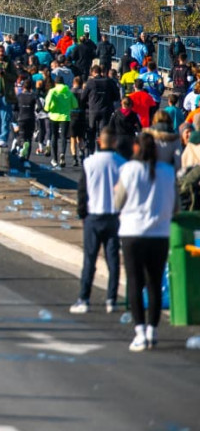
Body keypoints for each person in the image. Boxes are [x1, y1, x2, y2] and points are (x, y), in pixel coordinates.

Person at [115, 132, 178, 352]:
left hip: (132, 232)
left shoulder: (129, 170)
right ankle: (152, 329)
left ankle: (140, 331)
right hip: (159, 234)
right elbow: (175, 207)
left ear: (136, 148)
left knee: (135, 282)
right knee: (155, 283)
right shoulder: (168, 172)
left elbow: (118, 202)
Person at [70, 127, 125, 315]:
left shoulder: (89, 162)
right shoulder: (122, 164)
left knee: (90, 259)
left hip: (93, 215)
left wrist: (82, 214)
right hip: (114, 217)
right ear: (115, 142)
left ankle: (84, 298)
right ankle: (111, 299)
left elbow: (82, 191)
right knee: (113, 260)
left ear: (99, 141)